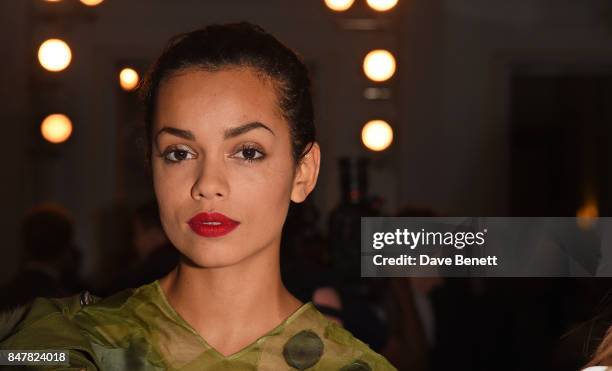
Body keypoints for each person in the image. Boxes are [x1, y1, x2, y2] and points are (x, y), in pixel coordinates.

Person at [0, 22, 396, 370]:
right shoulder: (69, 345)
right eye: (179, 153)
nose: (207, 183)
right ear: (152, 166)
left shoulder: (354, 366)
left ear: (303, 173)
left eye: (247, 152)